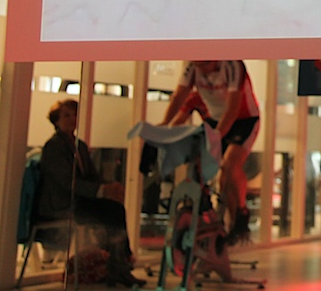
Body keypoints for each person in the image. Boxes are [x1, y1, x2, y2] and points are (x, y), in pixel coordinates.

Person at [37, 99, 142, 287]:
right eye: (66, 115)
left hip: (79, 200)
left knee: (114, 209)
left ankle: (117, 264)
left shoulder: (80, 146)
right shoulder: (54, 146)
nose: (72, 119)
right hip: (63, 203)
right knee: (112, 212)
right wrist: (100, 191)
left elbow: (92, 176)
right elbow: (66, 182)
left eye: (75, 114)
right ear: (56, 120)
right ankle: (119, 263)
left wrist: (110, 187)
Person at [160, 61, 261, 242]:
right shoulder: (192, 72)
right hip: (215, 120)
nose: (203, 71)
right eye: (199, 67)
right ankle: (205, 211)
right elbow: (178, 99)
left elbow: (232, 108)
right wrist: (165, 128)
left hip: (243, 119)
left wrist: (215, 138)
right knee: (197, 162)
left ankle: (239, 213)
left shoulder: (232, 66)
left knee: (230, 165)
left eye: (206, 65)